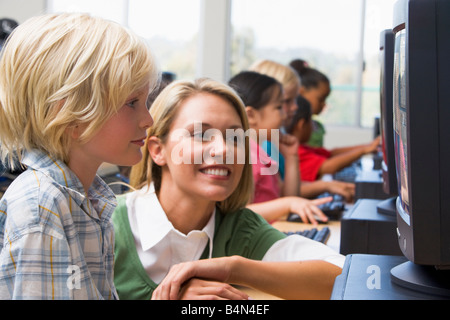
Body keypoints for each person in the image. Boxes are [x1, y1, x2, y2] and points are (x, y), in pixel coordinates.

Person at [112, 78, 345, 300]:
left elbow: (347, 276)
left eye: (235, 138)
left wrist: (234, 268)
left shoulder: (240, 229)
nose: (224, 149)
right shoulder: (107, 226)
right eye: (201, 135)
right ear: (157, 150)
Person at [0, 13, 159, 299]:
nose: (148, 119)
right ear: (71, 115)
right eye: (132, 103)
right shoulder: (43, 206)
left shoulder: (87, 198)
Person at [228, 71, 330, 224]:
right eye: (278, 107)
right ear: (251, 115)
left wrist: (291, 157)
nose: (284, 115)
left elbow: (289, 195)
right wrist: (288, 204)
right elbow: (240, 212)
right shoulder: (244, 156)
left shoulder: (261, 152)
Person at [286, 95, 380, 183]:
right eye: (311, 121)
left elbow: (331, 153)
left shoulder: (302, 148)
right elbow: (329, 166)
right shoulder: (296, 150)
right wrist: (363, 151)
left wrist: (368, 146)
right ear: (301, 125)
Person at [290, 59, 330, 148]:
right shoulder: (294, 128)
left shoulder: (318, 126)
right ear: (301, 92)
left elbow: (323, 155)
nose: (324, 104)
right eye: (321, 99)